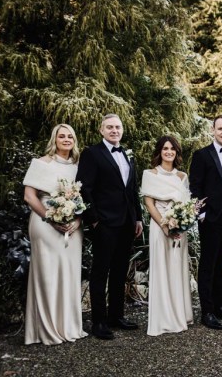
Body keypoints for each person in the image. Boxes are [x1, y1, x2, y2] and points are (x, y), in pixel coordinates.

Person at [76, 114, 143, 340]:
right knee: (100, 272)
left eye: (118, 127)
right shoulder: (92, 154)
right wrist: (93, 220)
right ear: (101, 130)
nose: (114, 130)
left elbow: (132, 189)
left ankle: (116, 316)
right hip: (104, 222)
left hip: (126, 222)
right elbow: (85, 189)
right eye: (110, 127)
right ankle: (99, 322)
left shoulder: (127, 154)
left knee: (119, 271)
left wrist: (138, 218)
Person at [22, 123, 88, 345]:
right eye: (62, 136)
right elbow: (29, 196)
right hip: (44, 224)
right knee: (48, 274)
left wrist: (77, 220)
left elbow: (85, 199)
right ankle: (47, 329)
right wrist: (51, 218)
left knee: (69, 274)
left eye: (70, 136)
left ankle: (68, 326)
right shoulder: (41, 163)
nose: (66, 139)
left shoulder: (79, 166)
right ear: (55, 139)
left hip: (73, 227)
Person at [189, 115, 222, 330]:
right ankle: (207, 311)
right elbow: (195, 187)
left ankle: (220, 305)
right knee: (208, 265)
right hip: (211, 216)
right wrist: (200, 214)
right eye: (220, 129)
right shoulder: (202, 155)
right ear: (213, 130)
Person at [141, 136, 193, 336]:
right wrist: (165, 225)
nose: (169, 152)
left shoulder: (182, 176)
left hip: (179, 227)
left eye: (172, 149)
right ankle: (164, 317)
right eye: (165, 148)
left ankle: (180, 313)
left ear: (177, 152)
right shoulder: (150, 174)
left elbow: (186, 205)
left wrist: (180, 223)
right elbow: (149, 203)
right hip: (160, 225)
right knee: (162, 268)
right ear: (159, 152)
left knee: (176, 267)